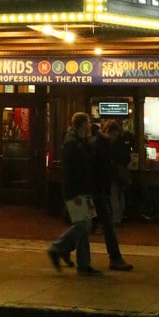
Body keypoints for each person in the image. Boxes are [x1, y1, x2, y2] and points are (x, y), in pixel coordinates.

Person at [47, 112, 100, 276]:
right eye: (88, 122)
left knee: (87, 225)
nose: (90, 124)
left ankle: (83, 263)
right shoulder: (72, 143)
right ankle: (58, 247)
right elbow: (72, 172)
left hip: (86, 190)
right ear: (83, 123)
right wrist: (74, 193)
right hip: (78, 191)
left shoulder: (80, 141)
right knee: (82, 224)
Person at [91, 120, 133, 271]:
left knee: (85, 225)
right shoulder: (99, 146)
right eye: (114, 135)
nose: (115, 139)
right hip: (98, 190)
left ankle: (62, 248)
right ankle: (115, 258)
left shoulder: (99, 143)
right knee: (103, 224)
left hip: (98, 189)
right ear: (108, 131)